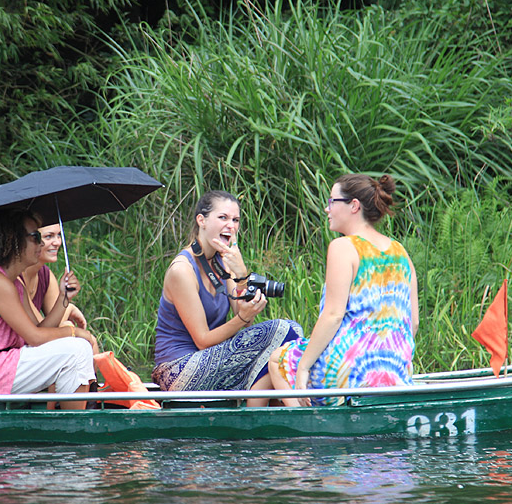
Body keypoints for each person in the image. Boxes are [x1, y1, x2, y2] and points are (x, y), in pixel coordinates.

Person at [270, 174, 419, 406]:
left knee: (279, 359)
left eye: (332, 201)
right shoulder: (401, 252)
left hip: (349, 372)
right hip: (397, 372)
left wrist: (303, 367)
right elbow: (414, 323)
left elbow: (333, 315)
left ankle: (306, 425)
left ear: (354, 206)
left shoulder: (343, 247)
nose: (327, 209)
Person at [152, 191, 304, 407]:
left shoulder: (222, 262)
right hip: (178, 371)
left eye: (235, 220)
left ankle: (256, 414)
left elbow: (244, 317)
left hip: (212, 359)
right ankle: (269, 411)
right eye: (223, 218)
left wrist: (241, 274)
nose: (231, 226)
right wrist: (243, 318)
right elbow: (203, 340)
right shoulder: (182, 270)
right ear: (201, 220)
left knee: (291, 335)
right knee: (284, 329)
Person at [0, 210, 98, 410]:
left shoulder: (14, 283)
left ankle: (68, 416)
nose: (41, 244)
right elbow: (35, 338)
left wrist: (64, 298)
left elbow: (40, 330)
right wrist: (74, 332)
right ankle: (74, 424)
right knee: (77, 350)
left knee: (76, 348)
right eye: (35, 237)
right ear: (15, 241)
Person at [20, 223, 87, 328]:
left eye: (59, 235)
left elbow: (56, 321)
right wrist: (69, 310)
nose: (57, 242)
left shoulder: (45, 274)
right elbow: (42, 331)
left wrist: (66, 300)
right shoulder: (15, 278)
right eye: (48, 236)